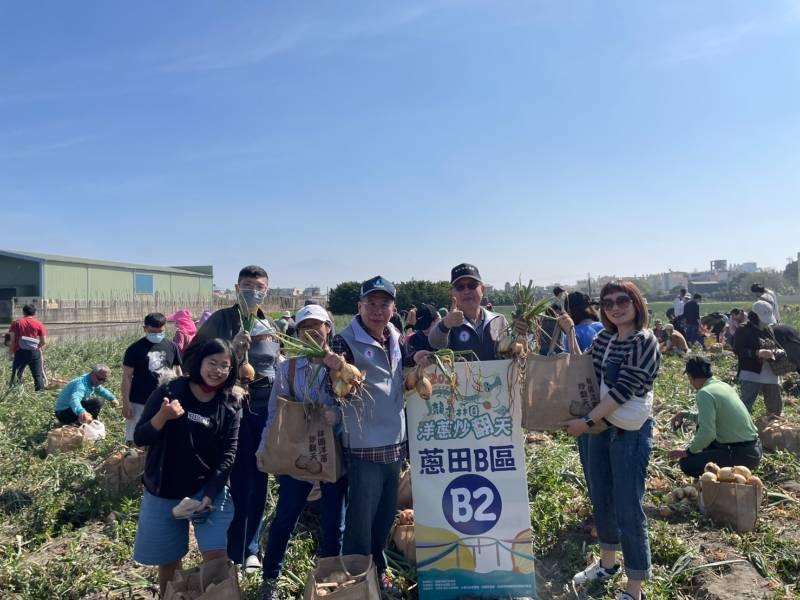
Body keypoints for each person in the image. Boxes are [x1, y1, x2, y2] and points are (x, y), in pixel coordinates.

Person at [563, 281, 660, 600]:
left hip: (628, 432)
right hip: (601, 428)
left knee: (628, 506)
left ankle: (634, 588)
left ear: (636, 303)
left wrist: (587, 421)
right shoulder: (604, 338)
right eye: (608, 303)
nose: (615, 307)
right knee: (601, 496)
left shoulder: (643, 341)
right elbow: (585, 371)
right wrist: (568, 333)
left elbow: (622, 391)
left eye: (622, 301)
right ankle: (607, 564)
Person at [325, 275, 417, 594]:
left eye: (384, 304)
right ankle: (355, 579)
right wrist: (342, 375)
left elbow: (401, 376)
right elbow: (332, 391)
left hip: (394, 441)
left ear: (393, 308)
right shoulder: (343, 342)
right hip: (364, 443)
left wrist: (417, 364)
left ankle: (378, 569)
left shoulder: (394, 334)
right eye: (371, 304)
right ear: (359, 306)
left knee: (384, 515)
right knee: (361, 517)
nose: (378, 311)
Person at [133, 338, 242, 595]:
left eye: (224, 365)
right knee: (169, 564)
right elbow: (140, 437)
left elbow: (230, 453)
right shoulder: (171, 391)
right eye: (211, 362)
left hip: (207, 490)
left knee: (216, 557)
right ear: (199, 362)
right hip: (165, 488)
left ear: (231, 370)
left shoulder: (229, 403)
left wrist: (210, 492)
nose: (217, 370)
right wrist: (163, 416)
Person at [259, 305, 347, 600]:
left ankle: (329, 580)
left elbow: (358, 406)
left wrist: (338, 415)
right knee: (285, 517)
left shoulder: (342, 366)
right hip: (298, 452)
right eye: (303, 327)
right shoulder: (288, 367)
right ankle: (270, 577)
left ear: (328, 329)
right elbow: (275, 412)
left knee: (334, 520)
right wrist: (265, 449)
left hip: (333, 450)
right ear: (296, 333)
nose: (311, 331)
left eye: (317, 325)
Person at [227, 318, 281, 569]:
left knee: (258, 484)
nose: (265, 346)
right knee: (241, 485)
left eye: (268, 340)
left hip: (265, 420)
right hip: (239, 419)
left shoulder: (277, 351)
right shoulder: (231, 344)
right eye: (259, 341)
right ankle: (235, 549)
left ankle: (251, 548)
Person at [668, 357, 761, 478]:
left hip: (741, 456)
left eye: (689, 378)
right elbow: (715, 418)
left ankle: (718, 482)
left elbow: (708, 432)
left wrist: (688, 452)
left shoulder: (704, 393)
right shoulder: (723, 386)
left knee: (687, 463)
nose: (690, 382)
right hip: (755, 450)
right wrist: (684, 414)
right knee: (705, 445)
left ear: (691, 376)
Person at [182, 265, 273, 374]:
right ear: (237, 288)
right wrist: (231, 348)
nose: (253, 291)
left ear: (267, 291)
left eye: (260, 287)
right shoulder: (219, 320)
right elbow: (190, 359)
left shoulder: (270, 324)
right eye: (248, 285)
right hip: (227, 386)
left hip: (266, 388)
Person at [428, 263, 512, 361]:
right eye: (460, 287)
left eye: (472, 285)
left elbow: (514, 351)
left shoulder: (499, 320)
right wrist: (446, 324)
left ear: (482, 289)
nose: (466, 291)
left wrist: (521, 333)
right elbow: (434, 342)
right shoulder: (448, 323)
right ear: (452, 293)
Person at [122, 313, 183, 444]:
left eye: (160, 331)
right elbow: (127, 377)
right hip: (139, 401)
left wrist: (182, 394)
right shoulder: (134, 349)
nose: (156, 335)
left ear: (165, 328)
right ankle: (133, 461)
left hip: (164, 401)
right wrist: (126, 403)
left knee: (160, 436)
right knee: (135, 438)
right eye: (152, 331)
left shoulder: (172, 347)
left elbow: (178, 372)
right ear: (145, 329)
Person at [733, 301, 783, 416]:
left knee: (775, 405)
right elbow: (738, 350)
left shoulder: (768, 329)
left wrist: (776, 352)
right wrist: (756, 352)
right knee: (746, 404)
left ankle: (774, 428)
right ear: (754, 316)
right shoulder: (743, 329)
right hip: (751, 372)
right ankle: (741, 426)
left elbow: (776, 345)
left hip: (770, 372)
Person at [8, 304, 47, 391]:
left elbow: (12, 341)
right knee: (37, 375)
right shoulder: (39, 324)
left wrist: (10, 354)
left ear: (23, 312)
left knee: (17, 375)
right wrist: (37, 347)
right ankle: (40, 395)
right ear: (34, 313)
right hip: (34, 353)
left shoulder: (16, 323)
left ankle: (15, 394)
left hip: (20, 352)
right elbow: (44, 341)